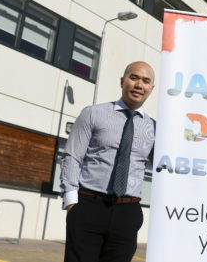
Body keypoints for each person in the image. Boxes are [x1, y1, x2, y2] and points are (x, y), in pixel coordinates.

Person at [60, 61, 156, 262]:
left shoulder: (155, 128)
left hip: (128, 212)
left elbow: (166, 167)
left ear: (151, 89)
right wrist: (72, 204)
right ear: (122, 81)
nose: (139, 85)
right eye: (134, 77)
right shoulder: (93, 113)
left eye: (146, 81)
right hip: (88, 206)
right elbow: (72, 156)